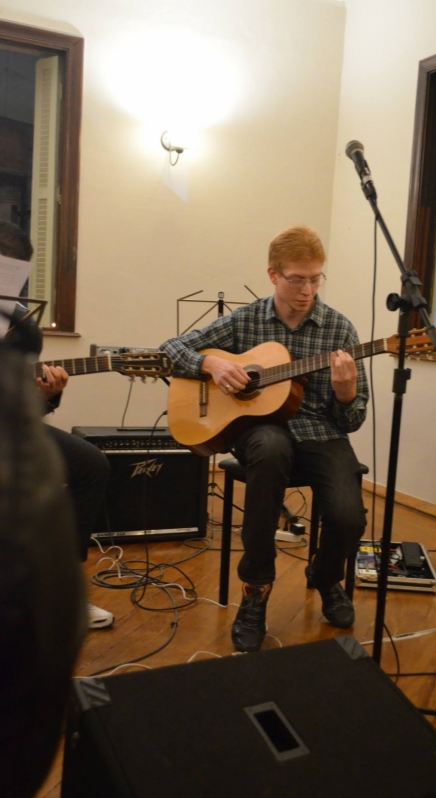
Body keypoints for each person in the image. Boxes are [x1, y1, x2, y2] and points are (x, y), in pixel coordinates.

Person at [161, 225, 368, 652]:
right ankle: (255, 590)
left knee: (349, 517)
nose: (307, 289)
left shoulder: (338, 330)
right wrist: (211, 366)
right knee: (271, 452)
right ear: (273, 275)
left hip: (319, 430)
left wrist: (346, 393)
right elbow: (170, 349)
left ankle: (326, 577)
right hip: (259, 431)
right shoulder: (246, 319)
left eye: (315, 278)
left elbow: (353, 418)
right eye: (297, 279)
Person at [1, 221, 114, 629]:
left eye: (16, 275)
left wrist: (48, 395)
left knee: (92, 465)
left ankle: (62, 590)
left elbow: (22, 410)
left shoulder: (21, 327)